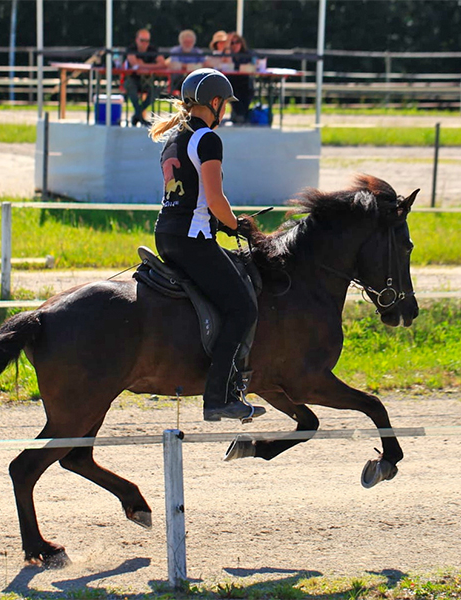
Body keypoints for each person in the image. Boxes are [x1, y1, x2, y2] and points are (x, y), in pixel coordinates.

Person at [147, 68, 266, 423]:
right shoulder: (208, 140)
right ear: (214, 103)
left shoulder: (174, 138)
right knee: (243, 308)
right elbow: (214, 198)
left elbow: (191, 196)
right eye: (224, 104)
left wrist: (221, 223)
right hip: (191, 239)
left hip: (167, 234)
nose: (225, 111)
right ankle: (218, 396)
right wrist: (237, 224)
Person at [124, 28, 166, 126]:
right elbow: (134, 63)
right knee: (130, 87)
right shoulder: (131, 49)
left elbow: (162, 64)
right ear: (137, 40)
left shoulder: (153, 49)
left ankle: (137, 115)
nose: (144, 43)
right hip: (133, 78)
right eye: (142, 40)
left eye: (147, 41)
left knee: (155, 91)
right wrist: (151, 66)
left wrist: (143, 65)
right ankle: (140, 116)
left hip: (148, 80)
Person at [226, 32, 256, 125]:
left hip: (245, 81)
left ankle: (242, 116)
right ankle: (239, 115)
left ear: (242, 43)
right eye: (232, 43)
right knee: (233, 90)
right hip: (231, 81)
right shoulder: (227, 54)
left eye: (237, 42)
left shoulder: (248, 54)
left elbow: (255, 64)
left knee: (246, 90)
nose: (235, 45)